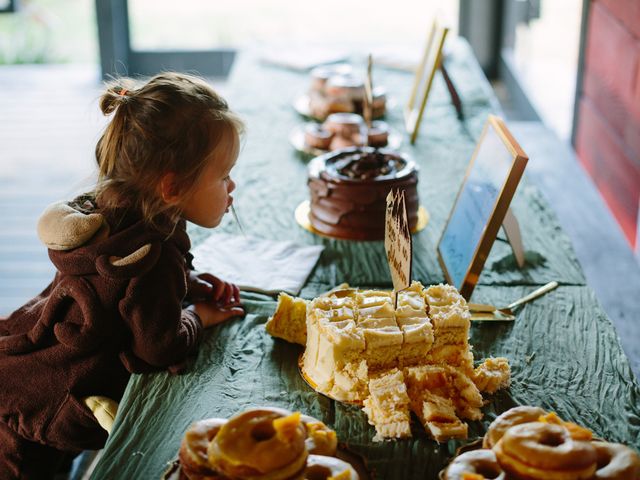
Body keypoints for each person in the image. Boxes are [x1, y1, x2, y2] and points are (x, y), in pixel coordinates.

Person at [0, 72, 245, 478]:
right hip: (43, 419)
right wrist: (198, 317)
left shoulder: (116, 215)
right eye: (223, 176)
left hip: (30, 377)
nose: (232, 186)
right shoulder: (153, 257)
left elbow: (129, 300)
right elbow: (160, 347)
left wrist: (192, 285)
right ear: (172, 188)